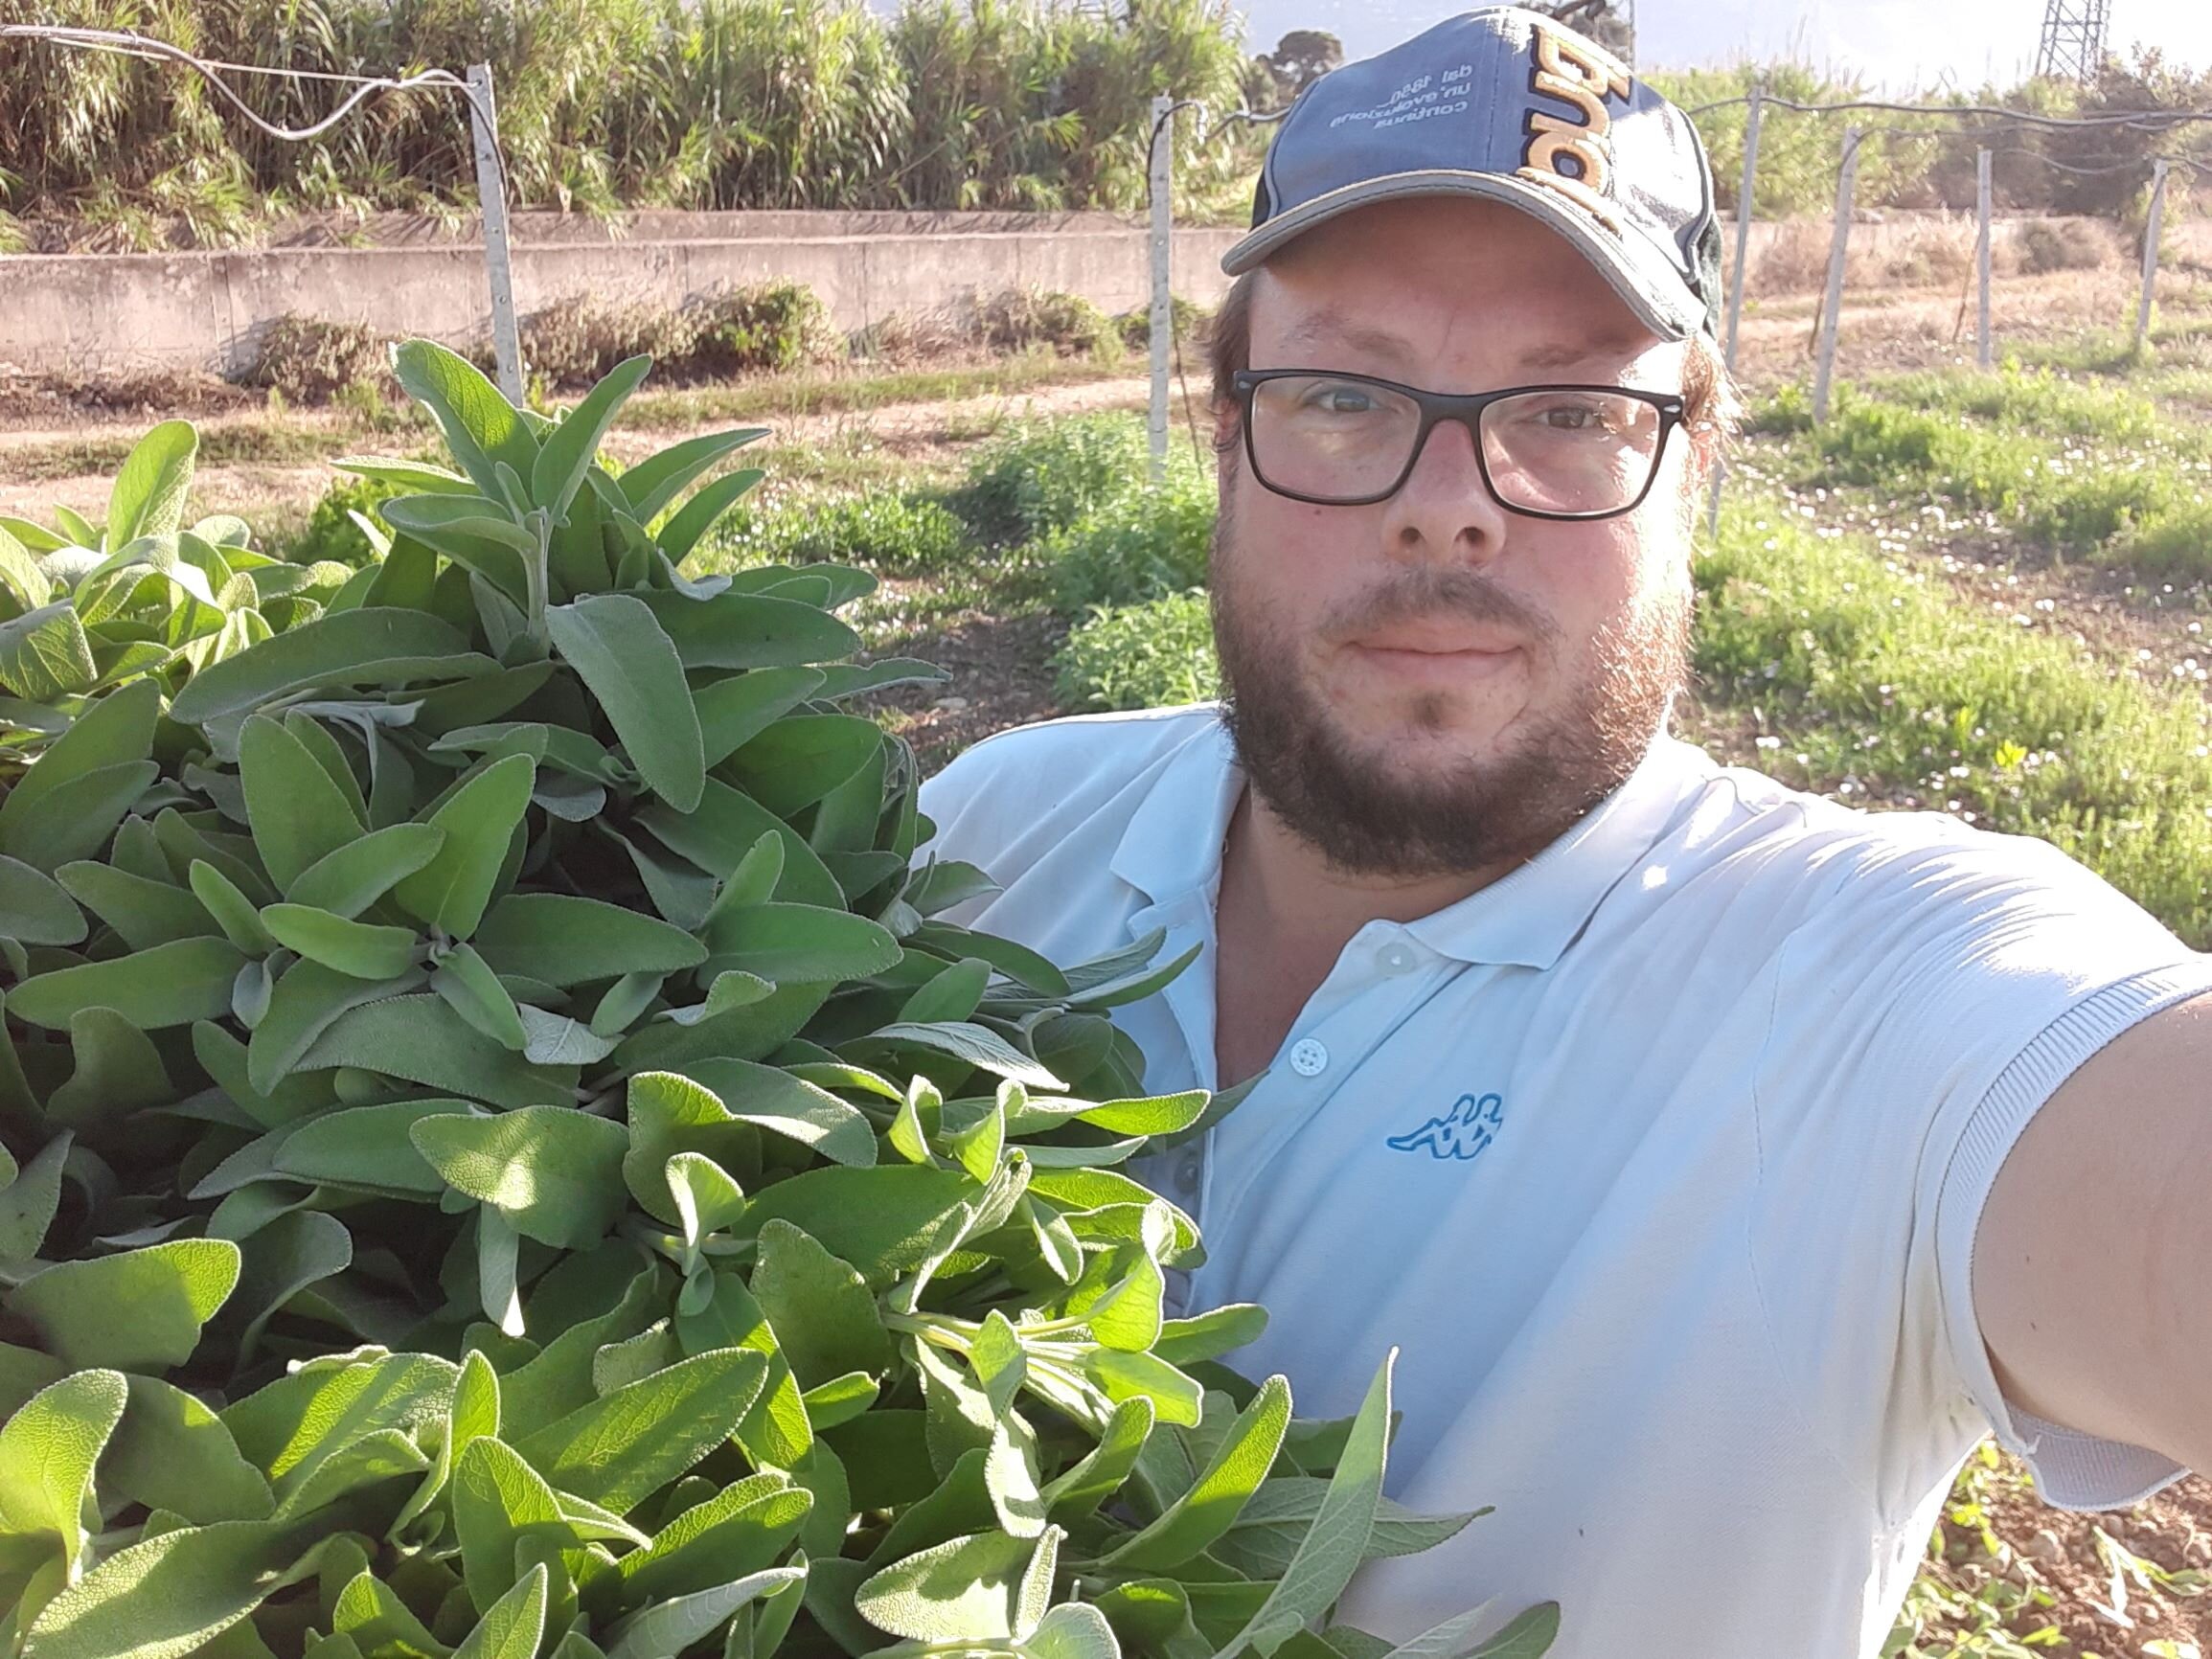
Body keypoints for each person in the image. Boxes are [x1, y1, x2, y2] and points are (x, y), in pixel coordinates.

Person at [914, 9, 2212, 1654]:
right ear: (1221, 433)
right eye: (1340, 394)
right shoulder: (992, 828)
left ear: (1695, 470)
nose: (1447, 503)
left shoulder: (1867, 994)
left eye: (1573, 412)